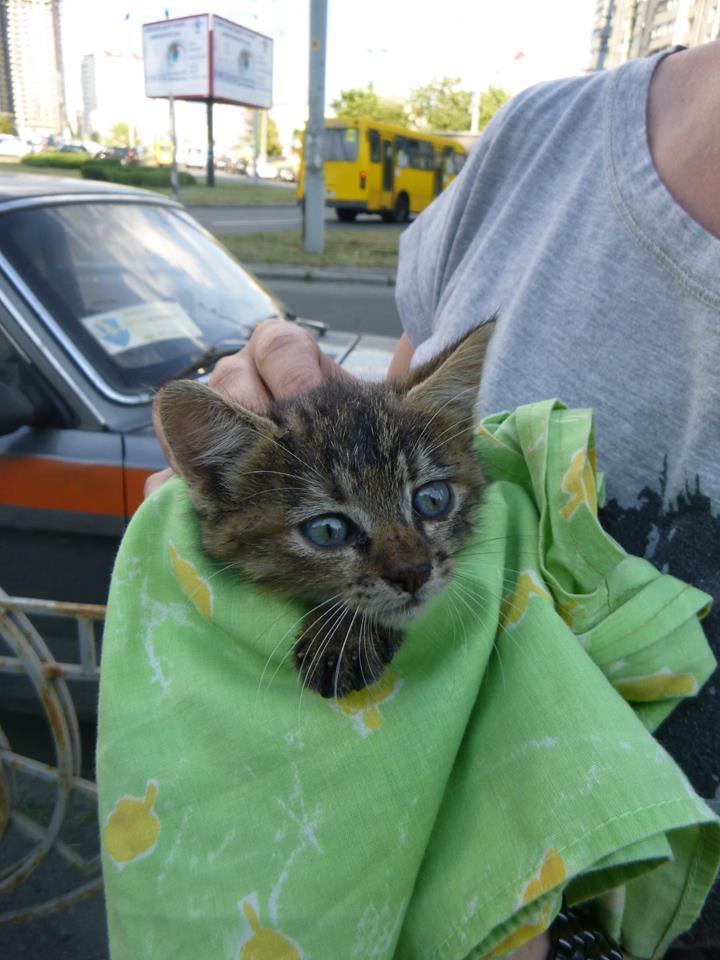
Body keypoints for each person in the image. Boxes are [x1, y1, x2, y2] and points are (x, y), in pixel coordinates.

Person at [146, 41, 720, 959]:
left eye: (428, 509)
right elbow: (401, 396)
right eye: (339, 532)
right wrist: (251, 427)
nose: (411, 563)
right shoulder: (540, 137)